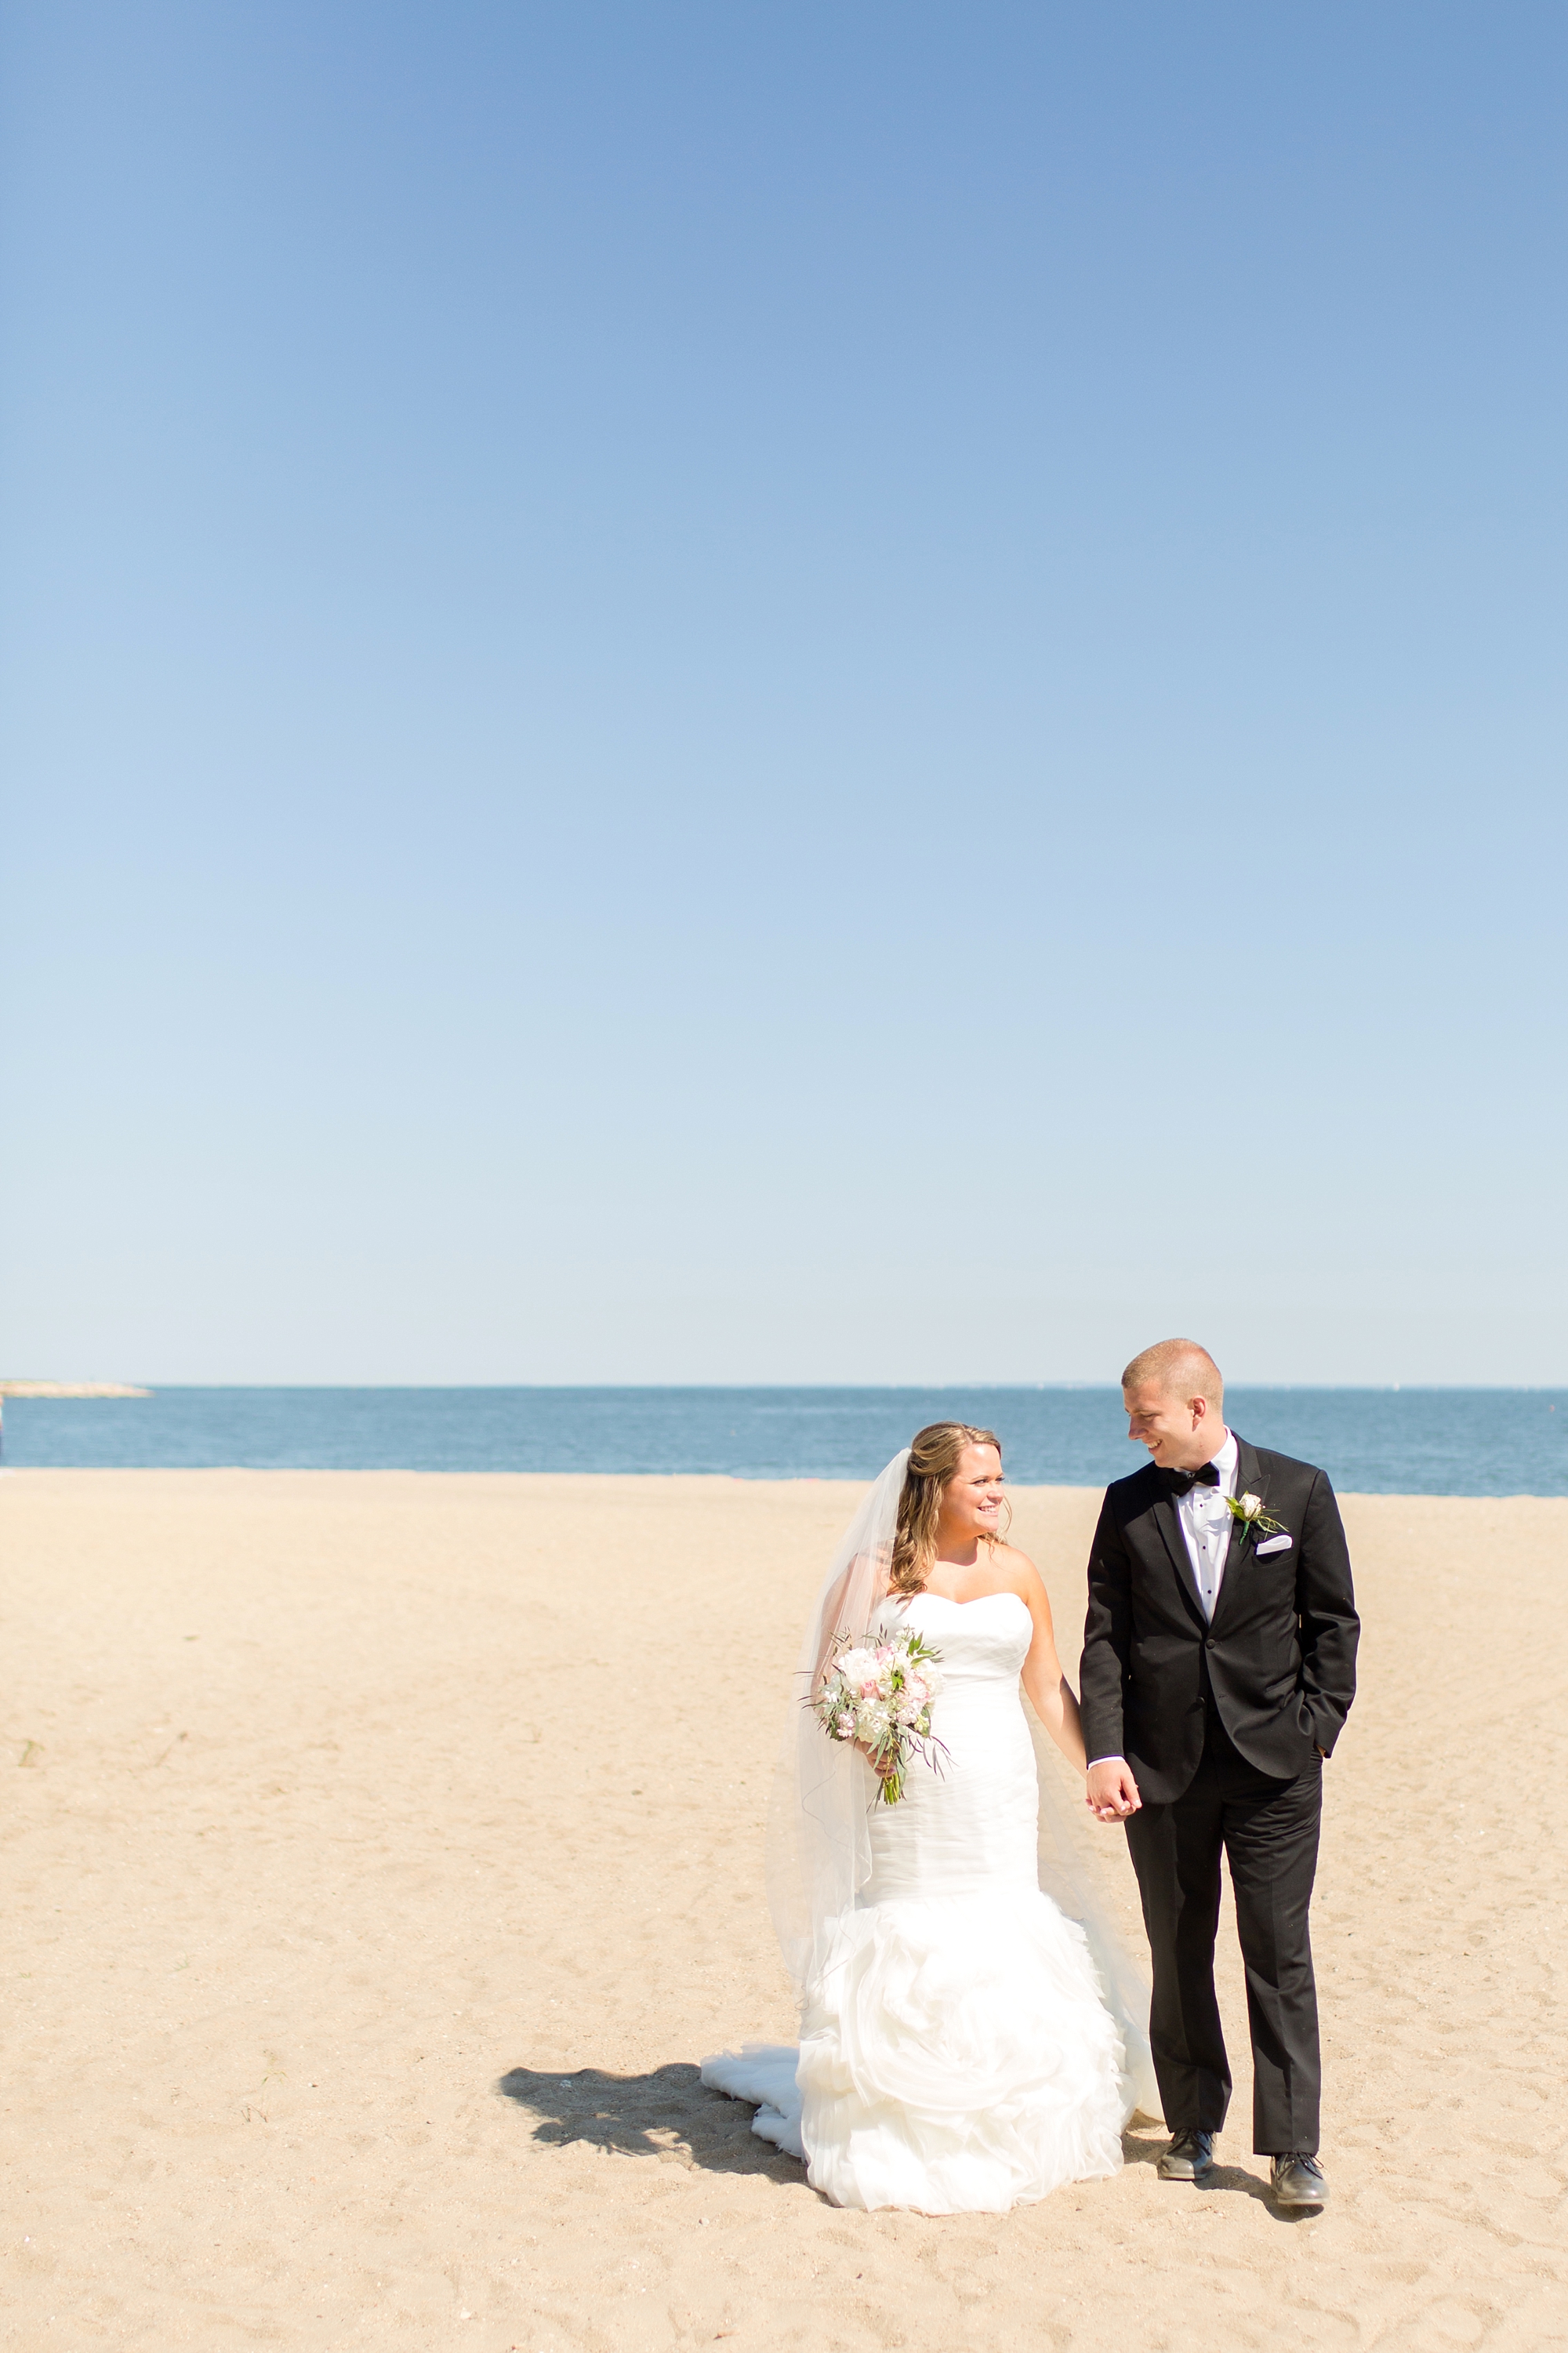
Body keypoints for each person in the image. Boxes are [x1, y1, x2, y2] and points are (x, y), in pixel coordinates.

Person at [704, 1422, 1156, 2214]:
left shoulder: (1016, 1571)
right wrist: (866, 1730)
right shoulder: (872, 1573)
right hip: (909, 1787)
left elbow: (1046, 1686)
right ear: (933, 1486)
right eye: (979, 1481)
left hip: (998, 1782)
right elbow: (829, 1684)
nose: (996, 1493)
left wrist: (1095, 1762)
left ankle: (1011, 2107)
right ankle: (899, 2110)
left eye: (998, 1479)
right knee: (912, 1923)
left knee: (1001, 1919)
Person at [1080, 1340, 1359, 2212]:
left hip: (1275, 1767)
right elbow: (1103, 1636)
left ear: (1196, 1409)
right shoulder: (1124, 1505)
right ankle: (1191, 2122)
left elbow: (1333, 1623)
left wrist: (1313, 1728)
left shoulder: (1298, 1488)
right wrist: (1105, 1748)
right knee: (1178, 1945)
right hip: (1161, 1772)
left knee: (1277, 1953)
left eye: (1145, 1416)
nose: (1134, 1434)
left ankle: (1290, 2147)